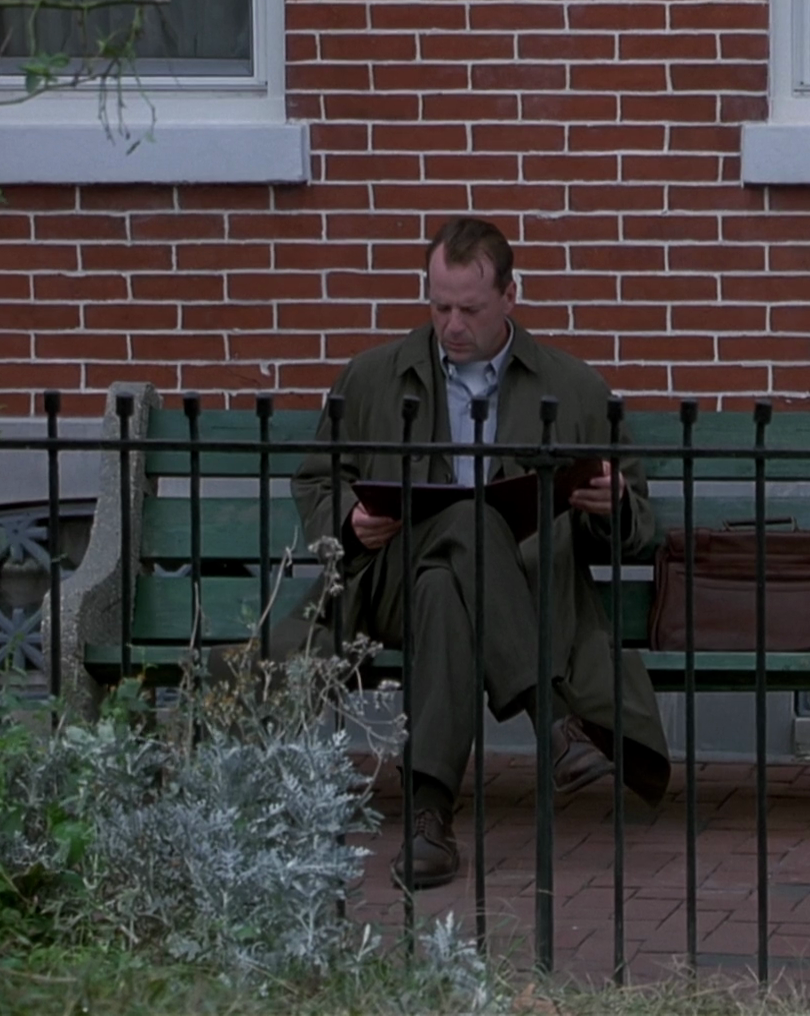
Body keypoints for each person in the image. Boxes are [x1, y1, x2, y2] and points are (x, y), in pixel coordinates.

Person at [285, 216, 670, 891]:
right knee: (465, 521)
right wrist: (348, 521)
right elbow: (318, 479)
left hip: (520, 590)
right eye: (439, 307)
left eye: (469, 309)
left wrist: (610, 507)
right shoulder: (373, 377)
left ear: (510, 297)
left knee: (446, 584)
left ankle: (429, 822)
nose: (452, 325)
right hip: (387, 588)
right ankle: (552, 721)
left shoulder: (573, 388)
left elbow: (639, 527)